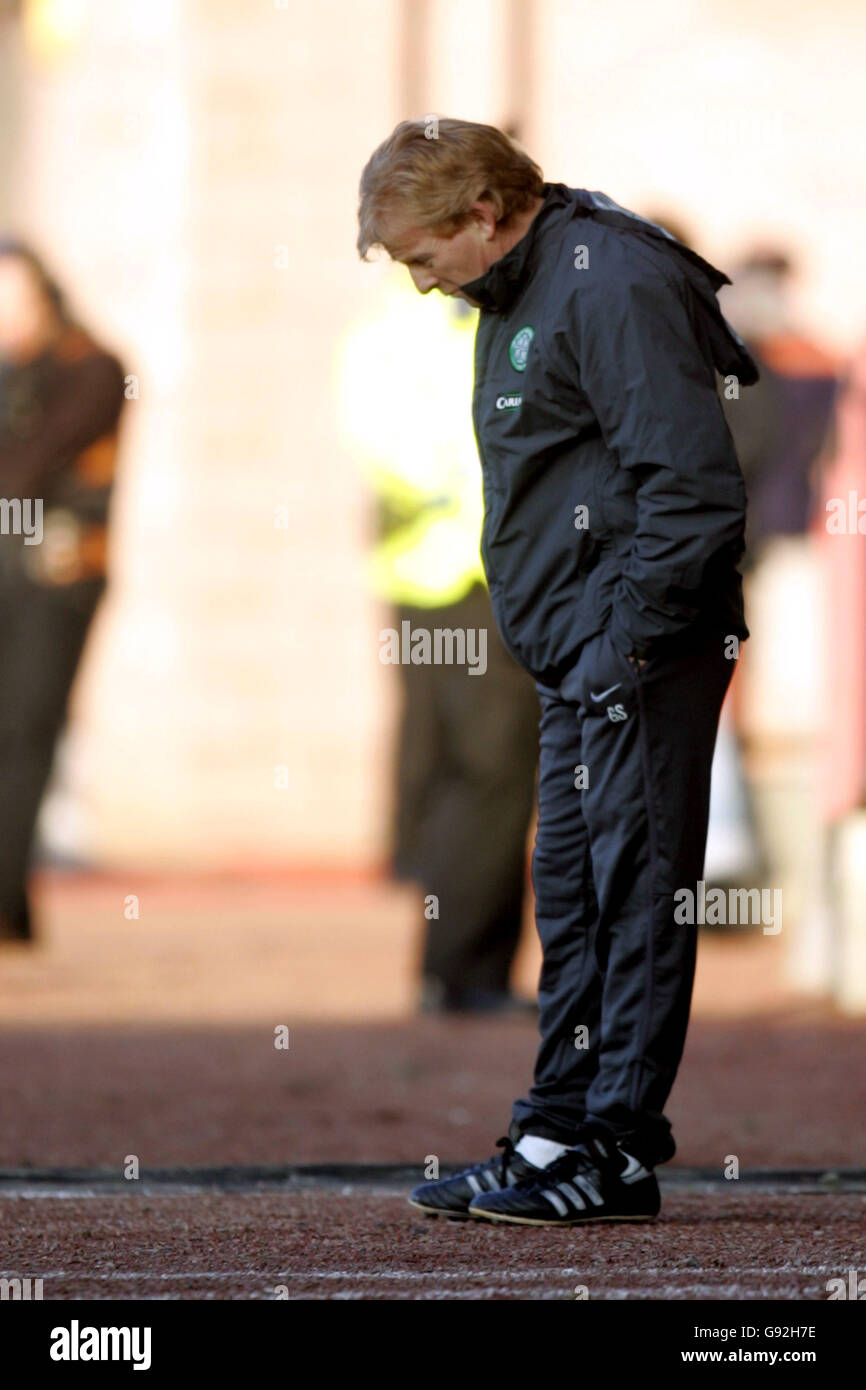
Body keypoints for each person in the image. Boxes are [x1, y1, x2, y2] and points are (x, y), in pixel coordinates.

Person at [356, 118, 759, 1225]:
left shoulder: (607, 279)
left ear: (481, 213)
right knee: (575, 893)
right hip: (581, 647)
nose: (419, 282)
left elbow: (687, 486)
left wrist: (623, 643)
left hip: (632, 649)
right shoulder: (526, 282)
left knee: (630, 893)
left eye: (420, 256)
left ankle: (615, 1153)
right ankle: (553, 1130)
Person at [336, 274, 539, 1015]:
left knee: (477, 769)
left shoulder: (476, 322)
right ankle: (465, 972)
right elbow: (382, 446)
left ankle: (458, 967)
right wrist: (465, 482)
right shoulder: (392, 334)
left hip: (482, 574)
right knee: (488, 771)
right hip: (454, 578)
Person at [0, 240, 127, 943]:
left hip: (56, 579)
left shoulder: (92, 368)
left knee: (25, 732)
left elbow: (31, 462)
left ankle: (6, 895)